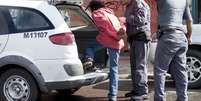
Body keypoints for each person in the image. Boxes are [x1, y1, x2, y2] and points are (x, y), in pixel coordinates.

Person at [83, 0, 125, 101]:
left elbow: (104, 26)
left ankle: (89, 60)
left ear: (94, 7)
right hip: (117, 42)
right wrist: (119, 34)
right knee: (114, 69)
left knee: (89, 48)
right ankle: (113, 96)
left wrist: (114, 35)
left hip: (107, 40)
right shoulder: (111, 13)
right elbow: (121, 27)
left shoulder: (97, 13)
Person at [154, 0, 193, 101]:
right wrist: (189, 36)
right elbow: (189, 21)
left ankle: (160, 98)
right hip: (181, 37)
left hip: (168, 35)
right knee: (181, 71)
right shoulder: (184, 1)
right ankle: (183, 98)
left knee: (160, 71)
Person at [124, 0, 151, 100]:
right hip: (134, 38)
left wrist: (126, 18)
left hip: (141, 38)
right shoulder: (130, 4)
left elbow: (141, 20)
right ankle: (136, 89)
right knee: (134, 66)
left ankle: (142, 92)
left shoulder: (138, 2)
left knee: (140, 66)